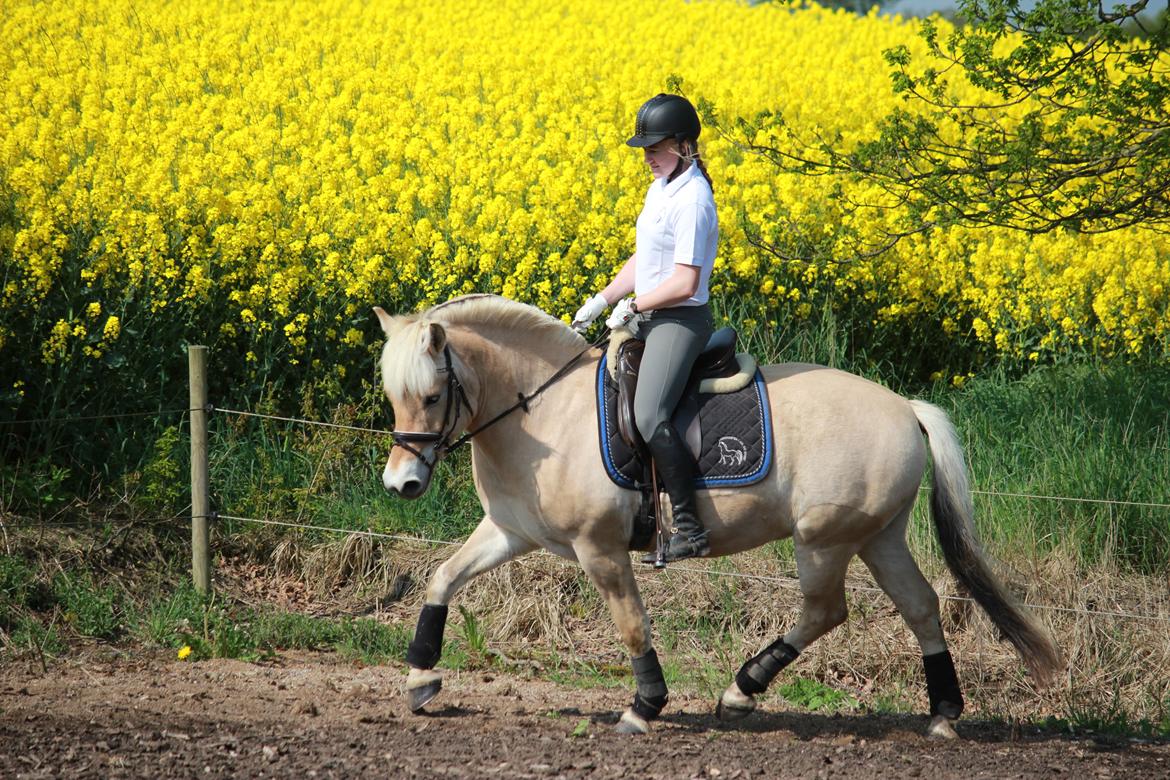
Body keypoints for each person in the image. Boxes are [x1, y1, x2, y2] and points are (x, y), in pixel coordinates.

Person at [573, 93, 718, 563]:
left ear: (683, 145)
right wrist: (604, 298)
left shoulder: (694, 198)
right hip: (649, 311)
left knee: (648, 412)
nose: (647, 157)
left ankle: (690, 529)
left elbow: (684, 280)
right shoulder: (661, 189)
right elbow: (647, 259)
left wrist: (635, 307)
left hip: (679, 319)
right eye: (645, 149)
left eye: (654, 147)